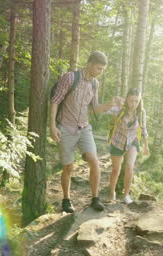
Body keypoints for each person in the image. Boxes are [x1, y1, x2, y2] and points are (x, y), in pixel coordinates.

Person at [50, 51, 122, 213]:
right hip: (66, 128)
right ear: (89, 64)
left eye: (102, 69)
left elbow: (95, 108)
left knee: (94, 162)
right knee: (68, 167)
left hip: (84, 128)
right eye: (98, 68)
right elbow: (55, 101)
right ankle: (66, 199)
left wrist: (110, 104)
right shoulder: (70, 78)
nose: (100, 72)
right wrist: (52, 127)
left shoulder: (95, 84)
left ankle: (95, 198)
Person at [107, 88, 149, 204]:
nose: (134, 104)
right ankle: (112, 193)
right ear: (126, 99)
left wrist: (146, 146)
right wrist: (113, 101)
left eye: (136, 101)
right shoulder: (120, 109)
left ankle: (126, 195)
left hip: (133, 141)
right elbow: (106, 110)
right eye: (131, 101)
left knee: (130, 166)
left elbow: (144, 129)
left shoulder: (141, 112)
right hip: (118, 141)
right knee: (116, 170)